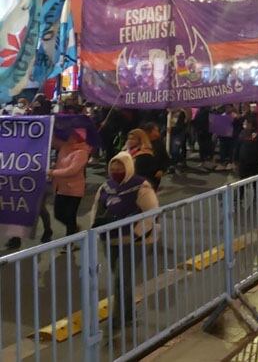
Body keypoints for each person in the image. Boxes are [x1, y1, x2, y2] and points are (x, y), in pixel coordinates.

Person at [89, 152, 159, 328]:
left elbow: (151, 212)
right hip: (111, 240)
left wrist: (137, 234)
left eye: (120, 167)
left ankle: (118, 319)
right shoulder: (106, 187)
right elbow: (96, 209)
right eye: (113, 167)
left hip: (133, 242)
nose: (116, 170)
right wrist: (94, 230)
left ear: (128, 167)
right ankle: (128, 314)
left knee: (121, 279)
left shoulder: (141, 186)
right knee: (121, 279)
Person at [49, 128, 91, 236]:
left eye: (73, 136)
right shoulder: (64, 147)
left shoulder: (82, 152)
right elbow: (54, 143)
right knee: (58, 215)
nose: (70, 137)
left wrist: (52, 172)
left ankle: (70, 241)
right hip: (60, 188)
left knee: (70, 215)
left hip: (74, 190)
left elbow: (71, 171)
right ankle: (73, 228)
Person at [142, 122, 169, 190]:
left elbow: (165, 158)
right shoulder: (140, 143)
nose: (158, 133)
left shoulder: (159, 143)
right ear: (148, 132)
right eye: (156, 130)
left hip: (155, 176)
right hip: (142, 175)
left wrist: (162, 170)